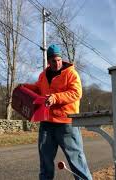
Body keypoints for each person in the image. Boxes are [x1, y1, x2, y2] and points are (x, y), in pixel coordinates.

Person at [22, 44, 92, 180]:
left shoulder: (71, 73)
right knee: (45, 161)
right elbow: (38, 89)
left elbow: (76, 93)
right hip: (46, 123)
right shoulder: (43, 75)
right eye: (53, 60)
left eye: (59, 59)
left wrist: (55, 97)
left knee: (76, 159)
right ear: (48, 61)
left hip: (66, 123)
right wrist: (25, 87)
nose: (57, 63)